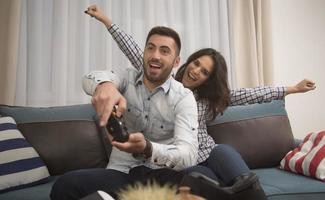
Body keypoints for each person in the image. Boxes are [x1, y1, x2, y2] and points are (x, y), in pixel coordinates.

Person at [83, 4, 317, 191]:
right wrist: (107, 21)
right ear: (183, 61)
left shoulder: (206, 100)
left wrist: (291, 89)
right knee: (199, 180)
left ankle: (249, 189)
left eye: (204, 72)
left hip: (204, 155)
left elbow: (248, 95)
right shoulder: (163, 75)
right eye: (196, 63)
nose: (196, 71)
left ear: (208, 80)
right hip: (176, 162)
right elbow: (134, 48)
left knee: (222, 152)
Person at [50, 21, 201, 200]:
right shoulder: (126, 78)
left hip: (160, 175)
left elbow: (188, 155)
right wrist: (104, 86)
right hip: (121, 173)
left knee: (195, 185)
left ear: (176, 62)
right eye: (150, 48)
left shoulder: (183, 97)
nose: (155, 55)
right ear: (144, 53)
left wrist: (148, 147)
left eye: (164, 51)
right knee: (65, 185)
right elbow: (89, 78)